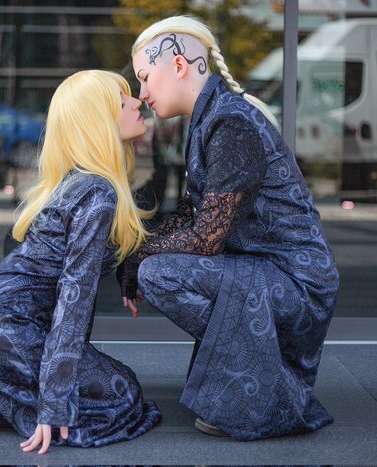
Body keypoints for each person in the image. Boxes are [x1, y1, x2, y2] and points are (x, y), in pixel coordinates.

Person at [118, 16, 339, 441]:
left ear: (178, 65)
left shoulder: (231, 123)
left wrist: (140, 256)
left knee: (158, 274)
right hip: (267, 272)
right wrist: (138, 249)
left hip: (297, 283)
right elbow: (191, 214)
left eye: (144, 77)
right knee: (153, 266)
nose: (142, 94)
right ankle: (245, 380)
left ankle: (268, 389)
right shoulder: (211, 118)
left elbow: (206, 237)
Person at [0, 70, 160, 453]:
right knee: (123, 394)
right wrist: (55, 405)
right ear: (99, 122)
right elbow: (74, 300)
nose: (138, 102)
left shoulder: (79, 181)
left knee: (101, 384)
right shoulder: (98, 194)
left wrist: (127, 273)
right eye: (123, 102)